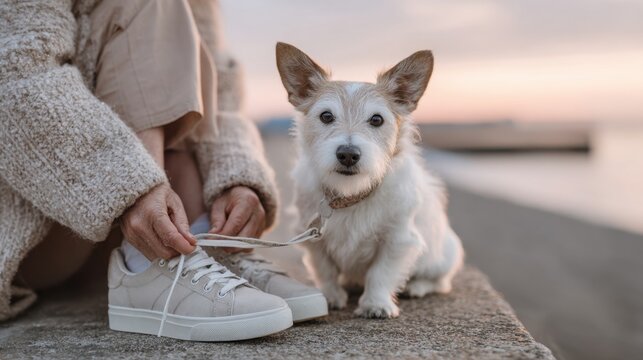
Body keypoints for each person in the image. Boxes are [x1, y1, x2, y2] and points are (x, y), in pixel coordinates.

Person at [0, 0, 327, 341]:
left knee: (178, 33)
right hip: (26, 234)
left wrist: (234, 178)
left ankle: (203, 244)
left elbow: (215, 78)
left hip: (96, 244)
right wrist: (129, 184)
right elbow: (14, 70)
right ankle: (151, 260)